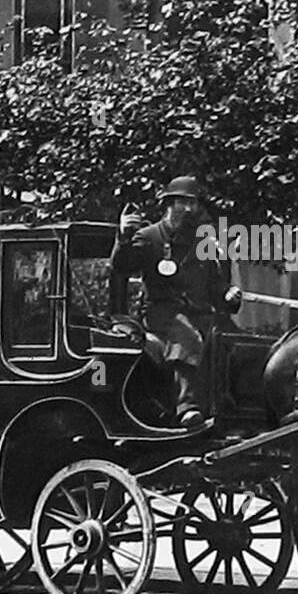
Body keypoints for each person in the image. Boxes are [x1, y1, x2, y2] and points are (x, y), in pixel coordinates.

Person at [110, 176, 242, 428]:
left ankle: (229, 408)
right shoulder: (148, 237)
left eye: (194, 204)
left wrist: (228, 294)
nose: (191, 209)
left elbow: (214, 284)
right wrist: (123, 238)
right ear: (169, 204)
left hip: (200, 314)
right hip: (162, 315)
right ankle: (187, 407)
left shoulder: (202, 242)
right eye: (184, 203)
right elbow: (121, 266)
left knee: (233, 343)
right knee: (188, 339)